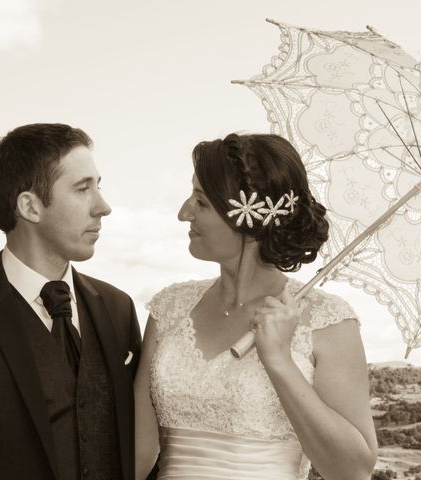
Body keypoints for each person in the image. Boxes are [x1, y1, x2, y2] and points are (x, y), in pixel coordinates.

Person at [134, 133, 378, 480]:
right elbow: (136, 456)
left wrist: (279, 361)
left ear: (246, 217)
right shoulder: (169, 309)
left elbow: (353, 471)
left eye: (201, 202)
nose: (183, 212)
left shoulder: (328, 322)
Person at [0, 124, 142, 480]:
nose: (103, 206)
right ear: (29, 206)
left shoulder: (118, 309)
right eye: (83, 189)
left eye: (99, 185)